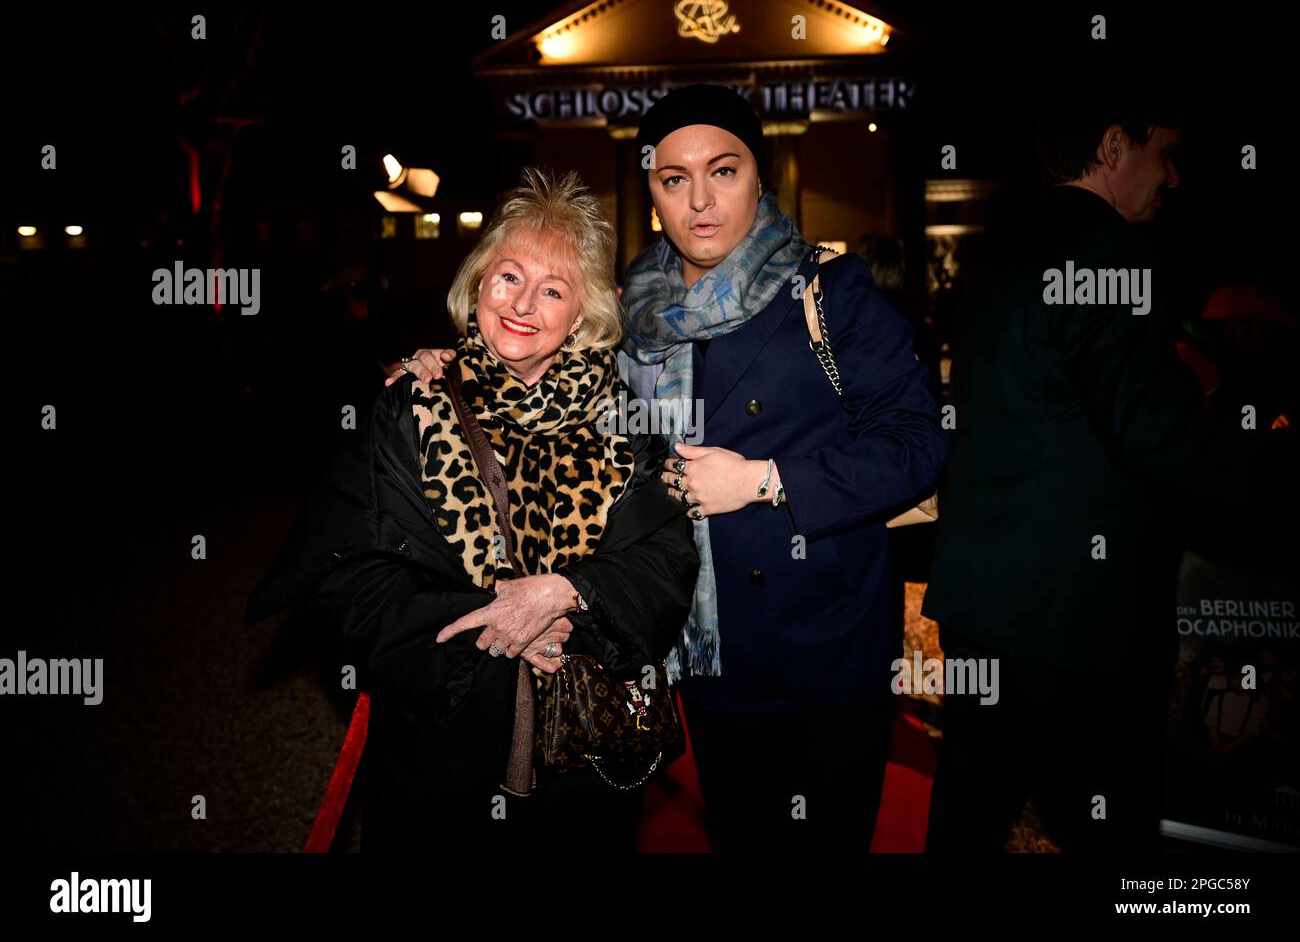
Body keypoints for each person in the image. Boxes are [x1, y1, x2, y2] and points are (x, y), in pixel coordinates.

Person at [390, 85, 948, 850]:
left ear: (760, 178)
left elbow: (917, 444)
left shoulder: (828, 290)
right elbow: (546, 375)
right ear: (652, 190)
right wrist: (455, 365)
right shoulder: (630, 306)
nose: (700, 200)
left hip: (821, 648)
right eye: (673, 178)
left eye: (723, 171)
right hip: (695, 647)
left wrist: (763, 480)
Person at [245, 168, 699, 851]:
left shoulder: (625, 420)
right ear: (478, 281)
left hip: (585, 762)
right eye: (509, 276)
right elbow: (349, 579)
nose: (523, 303)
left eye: (553, 290)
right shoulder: (413, 404)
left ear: (582, 314)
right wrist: (494, 628)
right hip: (443, 753)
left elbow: (667, 560)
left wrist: (571, 595)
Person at [922, 74, 1300, 852]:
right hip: (1079, 626)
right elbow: (1151, 429)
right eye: (1166, 153)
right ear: (1114, 146)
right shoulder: (1107, 249)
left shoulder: (996, 253)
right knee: (1113, 836)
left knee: (968, 817)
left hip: (982, 606)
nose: (1175, 175)